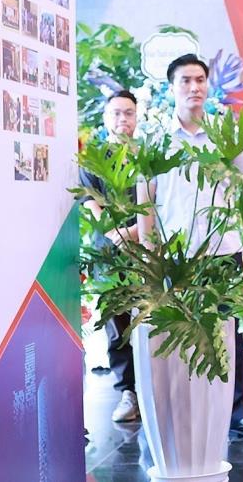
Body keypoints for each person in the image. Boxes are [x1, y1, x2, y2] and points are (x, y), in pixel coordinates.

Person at [140, 54, 243, 442]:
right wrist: (149, 254)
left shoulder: (223, 133)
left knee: (229, 336)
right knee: (181, 336)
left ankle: (238, 415)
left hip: (222, 249)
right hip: (176, 256)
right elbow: (145, 198)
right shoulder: (156, 139)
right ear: (171, 88)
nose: (194, 87)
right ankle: (188, 416)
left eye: (200, 80)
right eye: (185, 81)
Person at [79, 89, 142, 423]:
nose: (122, 119)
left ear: (137, 117)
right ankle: (127, 393)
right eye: (116, 113)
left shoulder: (148, 157)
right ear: (105, 118)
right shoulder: (92, 159)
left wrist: (135, 233)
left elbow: (160, 203)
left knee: (152, 324)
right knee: (118, 329)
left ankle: (157, 392)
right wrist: (118, 234)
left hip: (148, 251)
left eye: (128, 113)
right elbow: (93, 207)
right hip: (109, 255)